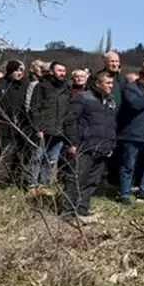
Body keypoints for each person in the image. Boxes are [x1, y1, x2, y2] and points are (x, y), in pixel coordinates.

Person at [60, 72, 118, 224]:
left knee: (92, 181)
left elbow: (111, 125)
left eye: (112, 84)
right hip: (83, 147)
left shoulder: (111, 101)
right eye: (108, 83)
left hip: (102, 147)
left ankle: (82, 209)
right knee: (76, 179)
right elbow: (70, 121)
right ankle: (68, 212)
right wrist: (71, 143)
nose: (111, 87)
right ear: (98, 84)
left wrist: (111, 144)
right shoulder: (83, 98)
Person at [115, 66, 144, 204]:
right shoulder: (130, 89)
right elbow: (136, 105)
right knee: (128, 166)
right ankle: (124, 193)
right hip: (132, 135)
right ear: (141, 78)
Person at [27, 61, 72, 194]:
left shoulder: (66, 88)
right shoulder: (42, 86)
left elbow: (68, 110)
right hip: (43, 129)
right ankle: (32, 185)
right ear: (51, 71)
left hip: (60, 130)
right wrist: (37, 127)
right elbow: (34, 108)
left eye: (64, 70)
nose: (62, 73)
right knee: (37, 157)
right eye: (59, 70)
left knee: (52, 159)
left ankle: (44, 185)